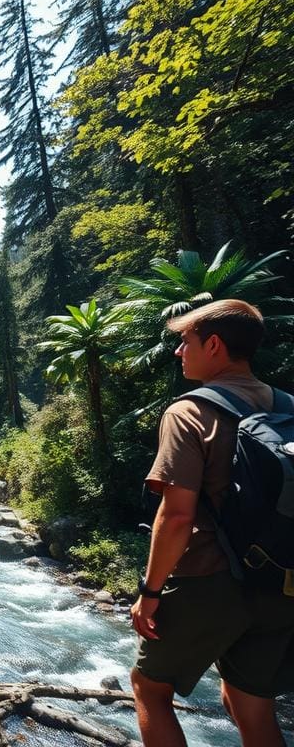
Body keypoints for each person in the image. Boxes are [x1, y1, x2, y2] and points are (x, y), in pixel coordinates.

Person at [129, 299, 294, 747]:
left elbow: (178, 515)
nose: (179, 352)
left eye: (185, 342)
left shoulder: (189, 412)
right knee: (250, 704)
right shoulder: (289, 407)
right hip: (281, 582)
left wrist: (150, 593)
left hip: (209, 579)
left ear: (214, 345)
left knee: (150, 689)